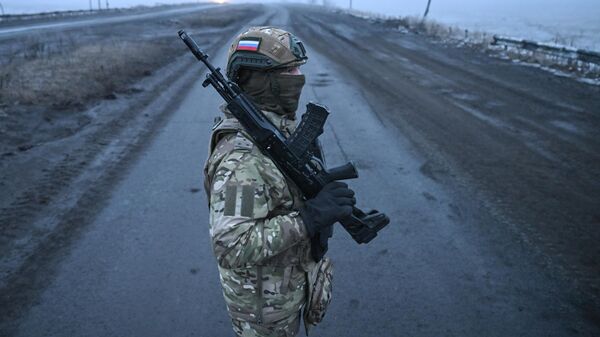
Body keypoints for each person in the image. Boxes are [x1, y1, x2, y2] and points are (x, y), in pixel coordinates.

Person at [203, 26, 356, 337]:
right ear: (263, 79)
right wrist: (309, 218)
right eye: (290, 70)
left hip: (285, 288)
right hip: (263, 310)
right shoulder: (241, 158)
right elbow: (233, 245)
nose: (299, 76)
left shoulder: (275, 126)